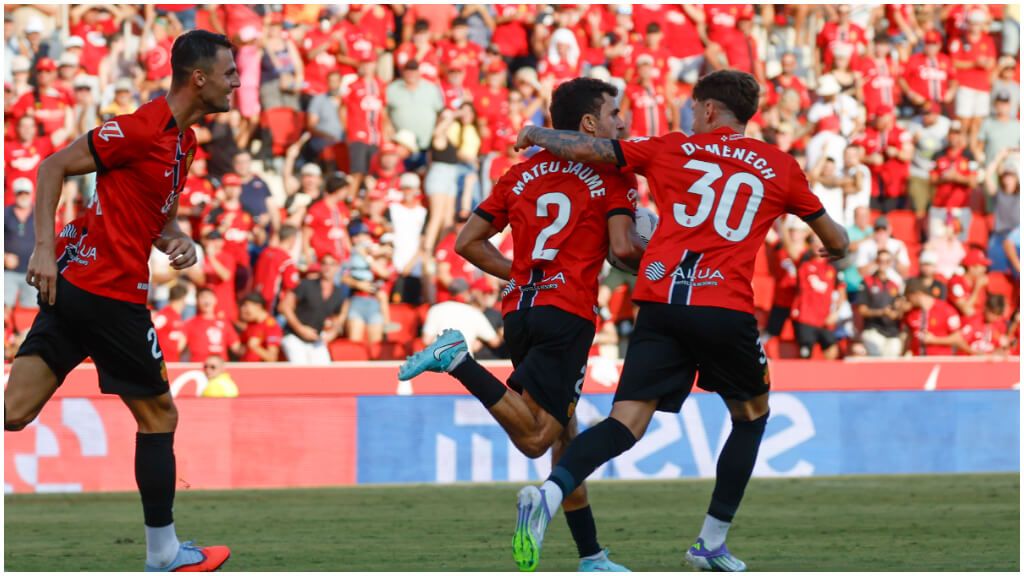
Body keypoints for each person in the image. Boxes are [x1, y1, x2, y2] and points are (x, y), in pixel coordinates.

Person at [509, 70, 849, 572]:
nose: (690, 118)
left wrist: (536, 133)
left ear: (709, 110)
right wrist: (833, 250)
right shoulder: (779, 166)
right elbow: (835, 237)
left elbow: (588, 151)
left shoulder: (670, 149)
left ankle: (551, 492)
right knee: (752, 416)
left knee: (625, 422)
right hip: (724, 306)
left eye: (693, 109)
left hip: (661, 302)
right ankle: (710, 543)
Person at [4, 30, 235, 571]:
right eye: (229, 73)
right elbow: (52, 166)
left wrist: (176, 236)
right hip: (107, 292)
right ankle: (164, 555)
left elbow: (153, 211)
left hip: (77, 289)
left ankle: (165, 554)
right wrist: (41, 247)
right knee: (159, 415)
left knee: (13, 413)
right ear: (198, 78)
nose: (236, 82)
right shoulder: (138, 128)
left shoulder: (185, 143)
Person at [398, 77, 646, 572]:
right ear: (590, 124)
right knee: (537, 439)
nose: (624, 121)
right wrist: (663, 262)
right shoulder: (615, 174)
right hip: (568, 311)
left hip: (521, 310)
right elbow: (623, 252)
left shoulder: (520, 174)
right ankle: (459, 360)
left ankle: (592, 556)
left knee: (564, 435)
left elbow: (467, 242)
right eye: (615, 113)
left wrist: (525, 274)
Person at [278, 254, 345, 365]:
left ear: (338, 268)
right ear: (320, 266)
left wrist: (332, 332)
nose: (328, 267)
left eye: (332, 264)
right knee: (301, 368)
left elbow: (337, 317)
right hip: (294, 336)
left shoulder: (338, 293)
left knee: (324, 371)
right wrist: (300, 328)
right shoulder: (306, 284)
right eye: (325, 263)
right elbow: (284, 306)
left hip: (316, 340)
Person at [856, 250, 904, 357]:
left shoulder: (894, 284)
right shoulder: (866, 282)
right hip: (874, 329)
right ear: (876, 262)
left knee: (893, 362)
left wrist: (898, 311)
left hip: (892, 331)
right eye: (880, 260)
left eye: (887, 261)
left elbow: (898, 309)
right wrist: (881, 312)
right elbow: (862, 310)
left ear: (891, 263)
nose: (883, 263)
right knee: (876, 358)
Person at [903, 277, 966, 356]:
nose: (908, 302)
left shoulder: (945, 310)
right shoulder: (911, 313)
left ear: (917, 294)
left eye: (908, 298)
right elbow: (909, 337)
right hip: (918, 361)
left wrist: (935, 340)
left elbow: (957, 338)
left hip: (940, 360)